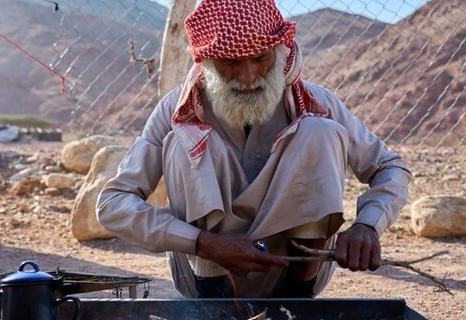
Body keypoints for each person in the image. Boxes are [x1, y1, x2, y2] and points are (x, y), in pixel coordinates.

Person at [96, 0, 412, 298]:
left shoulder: (315, 103)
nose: (248, 77)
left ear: (279, 52)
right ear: (208, 62)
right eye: (231, 63)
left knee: (320, 132)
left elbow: (390, 168)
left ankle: (294, 305)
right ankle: (216, 303)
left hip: (293, 274)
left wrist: (367, 225)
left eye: (260, 58)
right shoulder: (178, 109)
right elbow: (113, 204)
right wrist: (203, 243)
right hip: (202, 274)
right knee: (185, 140)